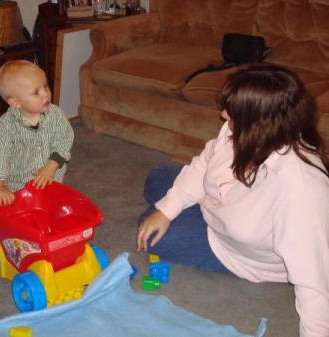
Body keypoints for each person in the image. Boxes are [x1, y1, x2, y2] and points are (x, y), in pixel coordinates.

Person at [136, 65, 329, 337]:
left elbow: (315, 280)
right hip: (220, 204)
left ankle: (188, 211)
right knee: (158, 178)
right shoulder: (238, 129)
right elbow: (204, 163)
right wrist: (168, 209)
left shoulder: (302, 189)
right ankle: (187, 205)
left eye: (232, 112)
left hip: (238, 252)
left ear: (260, 122)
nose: (223, 115)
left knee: (153, 231)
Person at [0, 60, 74, 206]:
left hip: (51, 178)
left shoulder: (56, 114)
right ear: (15, 103)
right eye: (36, 92)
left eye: (45, 87)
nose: (45, 94)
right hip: (18, 184)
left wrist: (51, 166)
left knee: (50, 209)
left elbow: (64, 141)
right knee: (20, 217)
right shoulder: (7, 124)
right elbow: (0, 154)